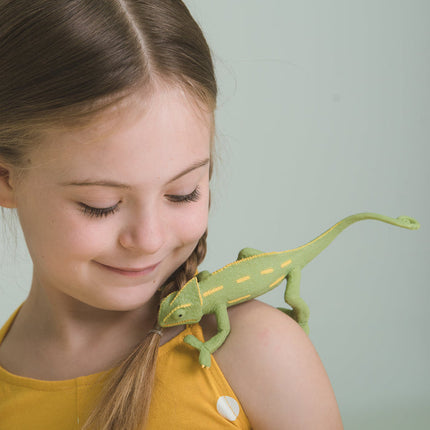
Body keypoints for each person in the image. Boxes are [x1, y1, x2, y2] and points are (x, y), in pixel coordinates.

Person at [0, 1, 343, 429]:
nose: (148, 239)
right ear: (6, 178)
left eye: (182, 194)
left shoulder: (259, 351)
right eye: (100, 205)